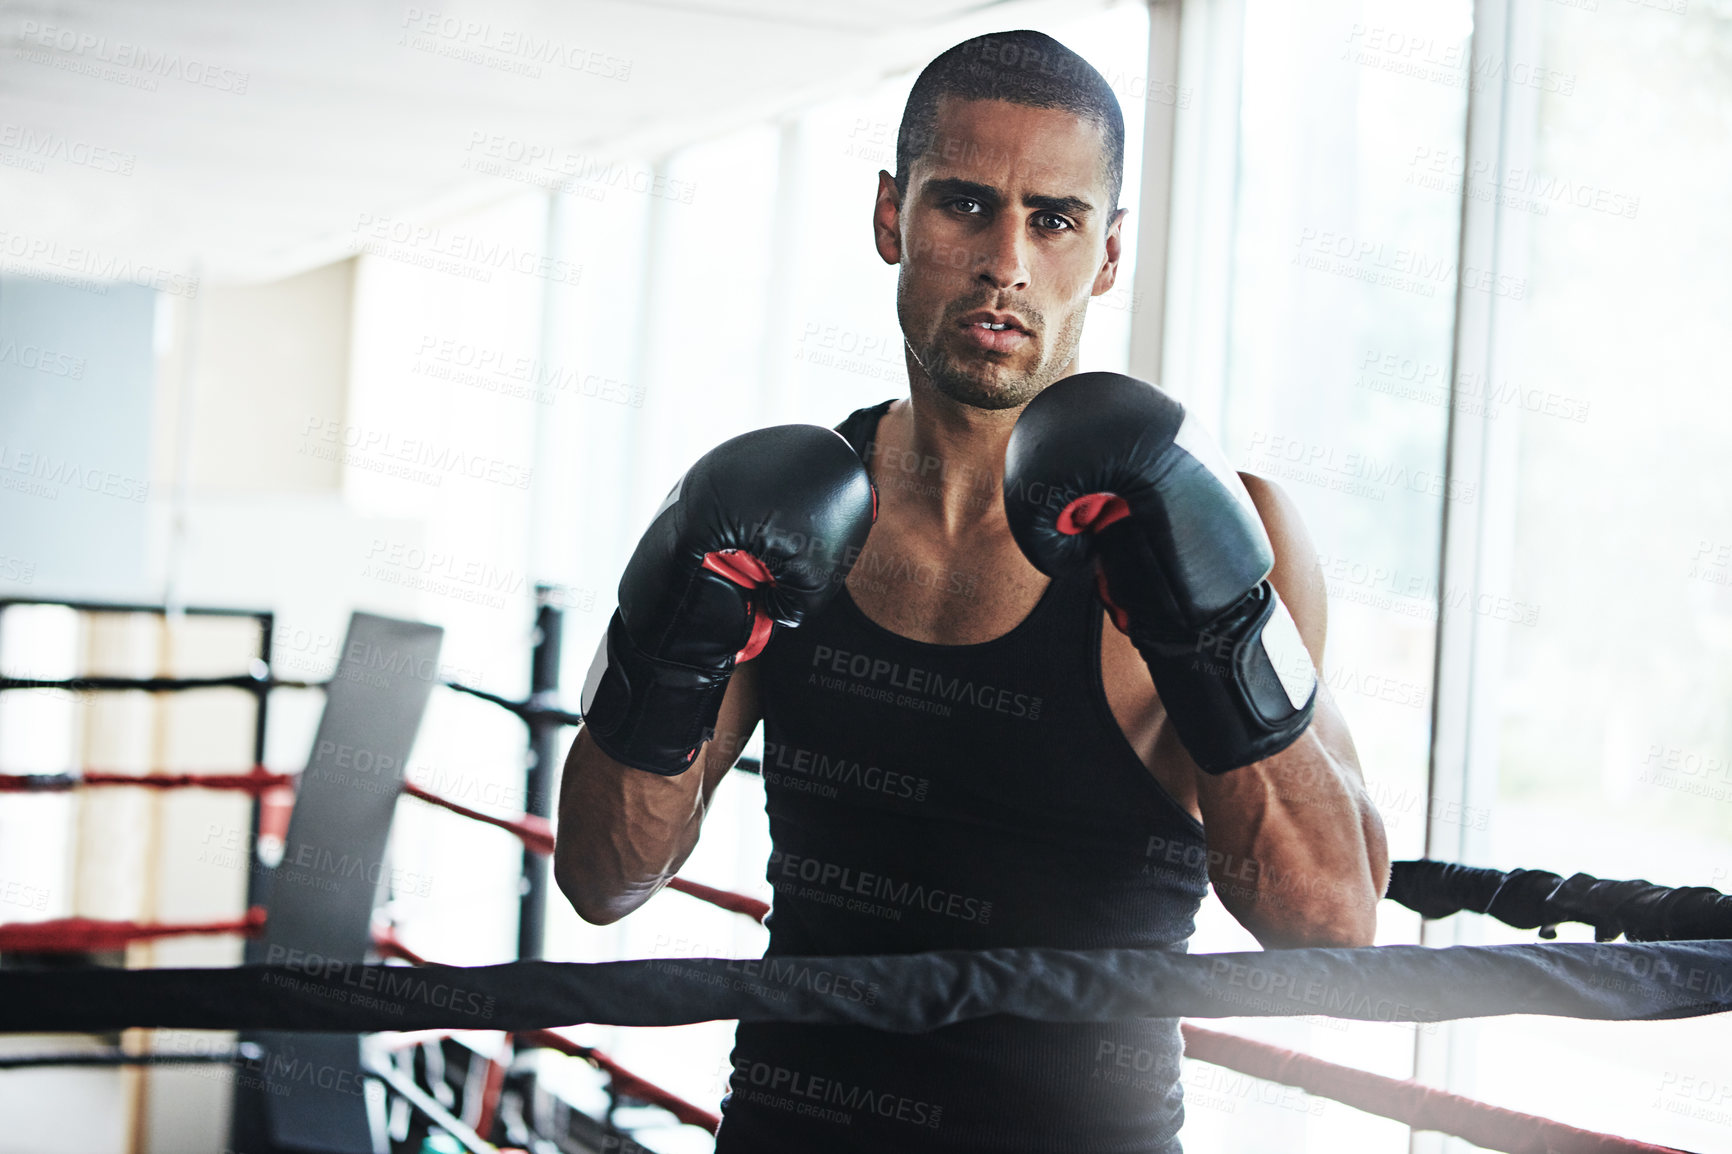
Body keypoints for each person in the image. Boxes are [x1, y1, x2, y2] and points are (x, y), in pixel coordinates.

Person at [555, 29, 1389, 1153]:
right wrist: (668, 648)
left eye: (1053, 218)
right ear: (892, 216)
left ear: (1104, 253)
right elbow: (605, 876)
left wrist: (1212, 629)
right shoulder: (778, 513)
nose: (1006, 260)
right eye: (963, 205)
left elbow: (1331, 924)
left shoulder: (1235, 524)